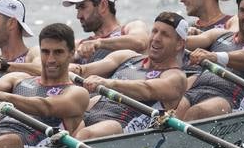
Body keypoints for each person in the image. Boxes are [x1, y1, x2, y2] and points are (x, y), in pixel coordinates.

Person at [0, 23, 91, 148]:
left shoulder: (77, 93)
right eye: (45, 52)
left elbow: (46, 107)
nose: (51, 59)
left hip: (34, 141)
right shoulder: (19, 78)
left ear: (71, 54)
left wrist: (4, 96)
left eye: (58, 52)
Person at [74, 12, 189, 140]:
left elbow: (147, 89)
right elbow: (83, 70)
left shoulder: (176, 78)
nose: (156, 38)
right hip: (91, 111)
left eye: (165, 34)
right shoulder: (127, 56)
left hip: (119, 126)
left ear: (179, 44)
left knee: (84, 134)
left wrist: (109, 83)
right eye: (154, 31)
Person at [61, 0, 149, 66]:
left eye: (83, 7)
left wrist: (98, 43)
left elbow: (140, 42)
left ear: (103, 6)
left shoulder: (131, 28)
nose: (78, 16)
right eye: (77, 9)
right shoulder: (80, 45)